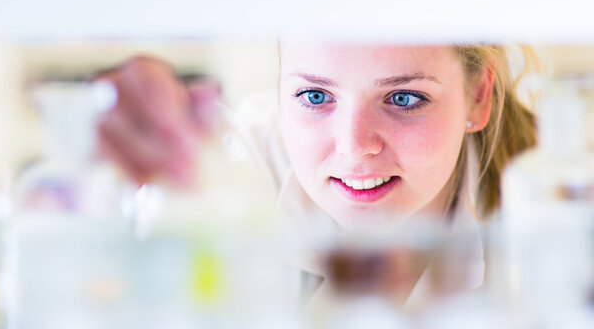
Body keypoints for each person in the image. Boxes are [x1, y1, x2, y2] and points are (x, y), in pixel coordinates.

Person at [97, 43, 539, 305]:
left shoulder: (555, 204)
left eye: (404, 98)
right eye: (314, 95)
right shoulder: (238, 170)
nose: (353, 146)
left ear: (478, 97)